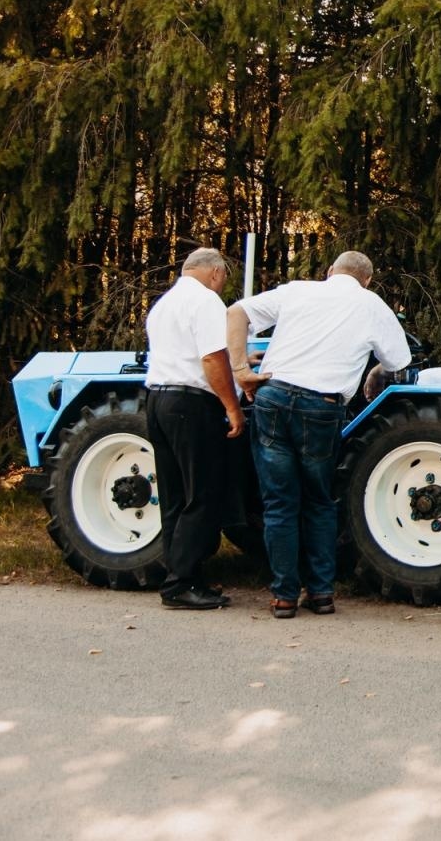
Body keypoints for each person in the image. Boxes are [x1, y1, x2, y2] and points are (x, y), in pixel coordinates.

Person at [227, 251, 412, 618]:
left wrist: (240, 369)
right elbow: (399, 362)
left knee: (279, 502)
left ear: (330, 272)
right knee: (319, 501)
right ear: (368, 280)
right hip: (321, 407)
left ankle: (283, 597)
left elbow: (236, 313)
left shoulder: (298, 290)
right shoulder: (371, 304)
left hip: (274, 398)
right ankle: (322, 593)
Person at [144, 247, 246, 610]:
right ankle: (182, 583)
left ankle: (181, 578)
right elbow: (210, 357)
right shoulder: (206, 302)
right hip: (191, 405)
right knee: (203, 494)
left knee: (174, 497)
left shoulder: (163, 305)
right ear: (216, 273)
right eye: (223, 279)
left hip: (157, 400)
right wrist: (232, 407)